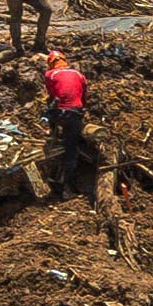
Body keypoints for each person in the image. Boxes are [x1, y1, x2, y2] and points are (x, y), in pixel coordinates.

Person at [41, 51, 89, 198]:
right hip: (74, 113)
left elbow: (52, 95)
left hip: (59, 113)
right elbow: (84, 97)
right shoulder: (79, 74)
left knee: (48, 110)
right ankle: (68, 188)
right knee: (71, 150)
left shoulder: (50, 74)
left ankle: (53, 131)